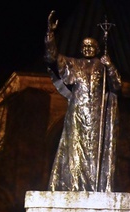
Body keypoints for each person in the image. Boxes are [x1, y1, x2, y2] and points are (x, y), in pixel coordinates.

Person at [45, 10, 121, 192]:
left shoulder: (102, 66)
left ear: (96, 49)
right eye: (85, 46)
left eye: (91, 46)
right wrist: (50, 34)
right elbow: (52, 58)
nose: (87, 48)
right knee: (75, 149)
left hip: (97, 116)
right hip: (77, 113)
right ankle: (72, 185)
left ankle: (95, 185)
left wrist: (109, 65)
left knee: (94, 153)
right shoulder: (73, 63)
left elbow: (117, 85)